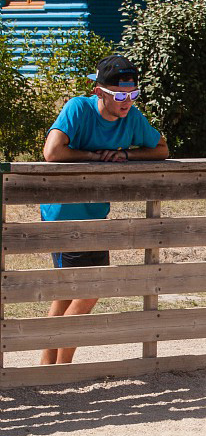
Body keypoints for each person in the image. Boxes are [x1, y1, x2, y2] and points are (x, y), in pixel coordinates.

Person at [39, 54, 169, 365]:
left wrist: (126, 155)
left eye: (133, 94)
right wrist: (95, 157)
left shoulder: (131, 117)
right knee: (85, 292)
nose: (127, 102)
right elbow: (51, 151)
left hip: (96, 216)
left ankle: (49, 367)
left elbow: (162, 148)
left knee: (70, 294)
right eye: (120, 96)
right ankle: (61, 368)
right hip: (64, 215)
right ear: (99, 91)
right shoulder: (77, 108)